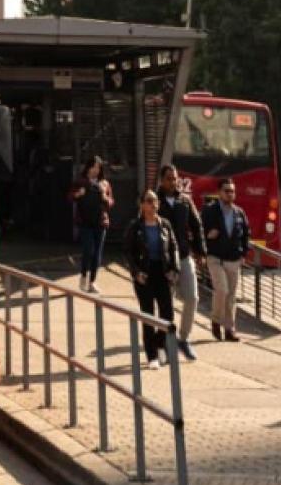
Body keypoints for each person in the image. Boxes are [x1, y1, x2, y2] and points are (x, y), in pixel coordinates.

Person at [123, 190, 179, 370]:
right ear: (141, 205)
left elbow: (173, 248)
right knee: (148, 314)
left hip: (163, 273)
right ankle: (152, 355)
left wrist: (174, 269)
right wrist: (136, 272)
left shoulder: (165, 225)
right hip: (145, 274)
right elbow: (128, 252)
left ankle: (161, 345)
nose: (153, 204)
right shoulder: (135, 226)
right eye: (149, 201)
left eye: (155, 201)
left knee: (167, 315)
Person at [156, 164, 205, 361]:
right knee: (166, 304)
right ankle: (166, 341)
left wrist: (200, 251)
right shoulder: (155, 201)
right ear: (161, 180)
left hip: (184, 256)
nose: (173, 182)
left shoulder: (185, 201)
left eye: (175, 178)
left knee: (192, 298)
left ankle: (184, 338)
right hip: (163, 260)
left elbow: (197, 225)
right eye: (168, 178)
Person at [201, 178, 250, 341]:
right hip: (215, 257)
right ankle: (216, 320)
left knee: (231, 297)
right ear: (219, 193)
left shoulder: (239, 212)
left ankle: (230, 329)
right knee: (222, 290)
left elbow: (246, 234)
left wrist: (244, 254)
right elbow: (200, 229)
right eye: (227, 191)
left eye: (232, 191)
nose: (230, 194)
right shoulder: (209, 210)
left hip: (234, 259)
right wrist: (208, 236)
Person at [68, 155, 114, 293]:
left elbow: (111, 202)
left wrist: (105, 197)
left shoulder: (104, 184)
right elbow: (70, 197)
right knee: (89, 249)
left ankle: (92, 281)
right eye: (93, 167)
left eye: (98, 168)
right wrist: (78, 194)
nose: (95, 170)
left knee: (97, 253)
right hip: (85, 222)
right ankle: (83, 275)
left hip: (100, 222)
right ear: (88, 168)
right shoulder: (81, 182)